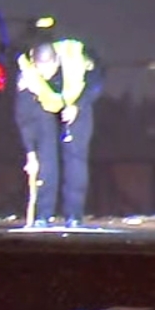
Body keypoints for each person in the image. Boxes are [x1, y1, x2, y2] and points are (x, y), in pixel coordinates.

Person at [14, 37, 105, 227]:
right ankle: (43, 215)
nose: (45, 75)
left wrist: (77, 106)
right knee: (45, 160)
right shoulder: (28, 74)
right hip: (45, 107)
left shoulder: (77, 57)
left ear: (57, 61)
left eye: (49, 69)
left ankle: (74, 215)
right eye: (41, 70)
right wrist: (31, 153)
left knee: (75, 158)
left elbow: (96, 82)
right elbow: (24, 116)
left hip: (77, 100)